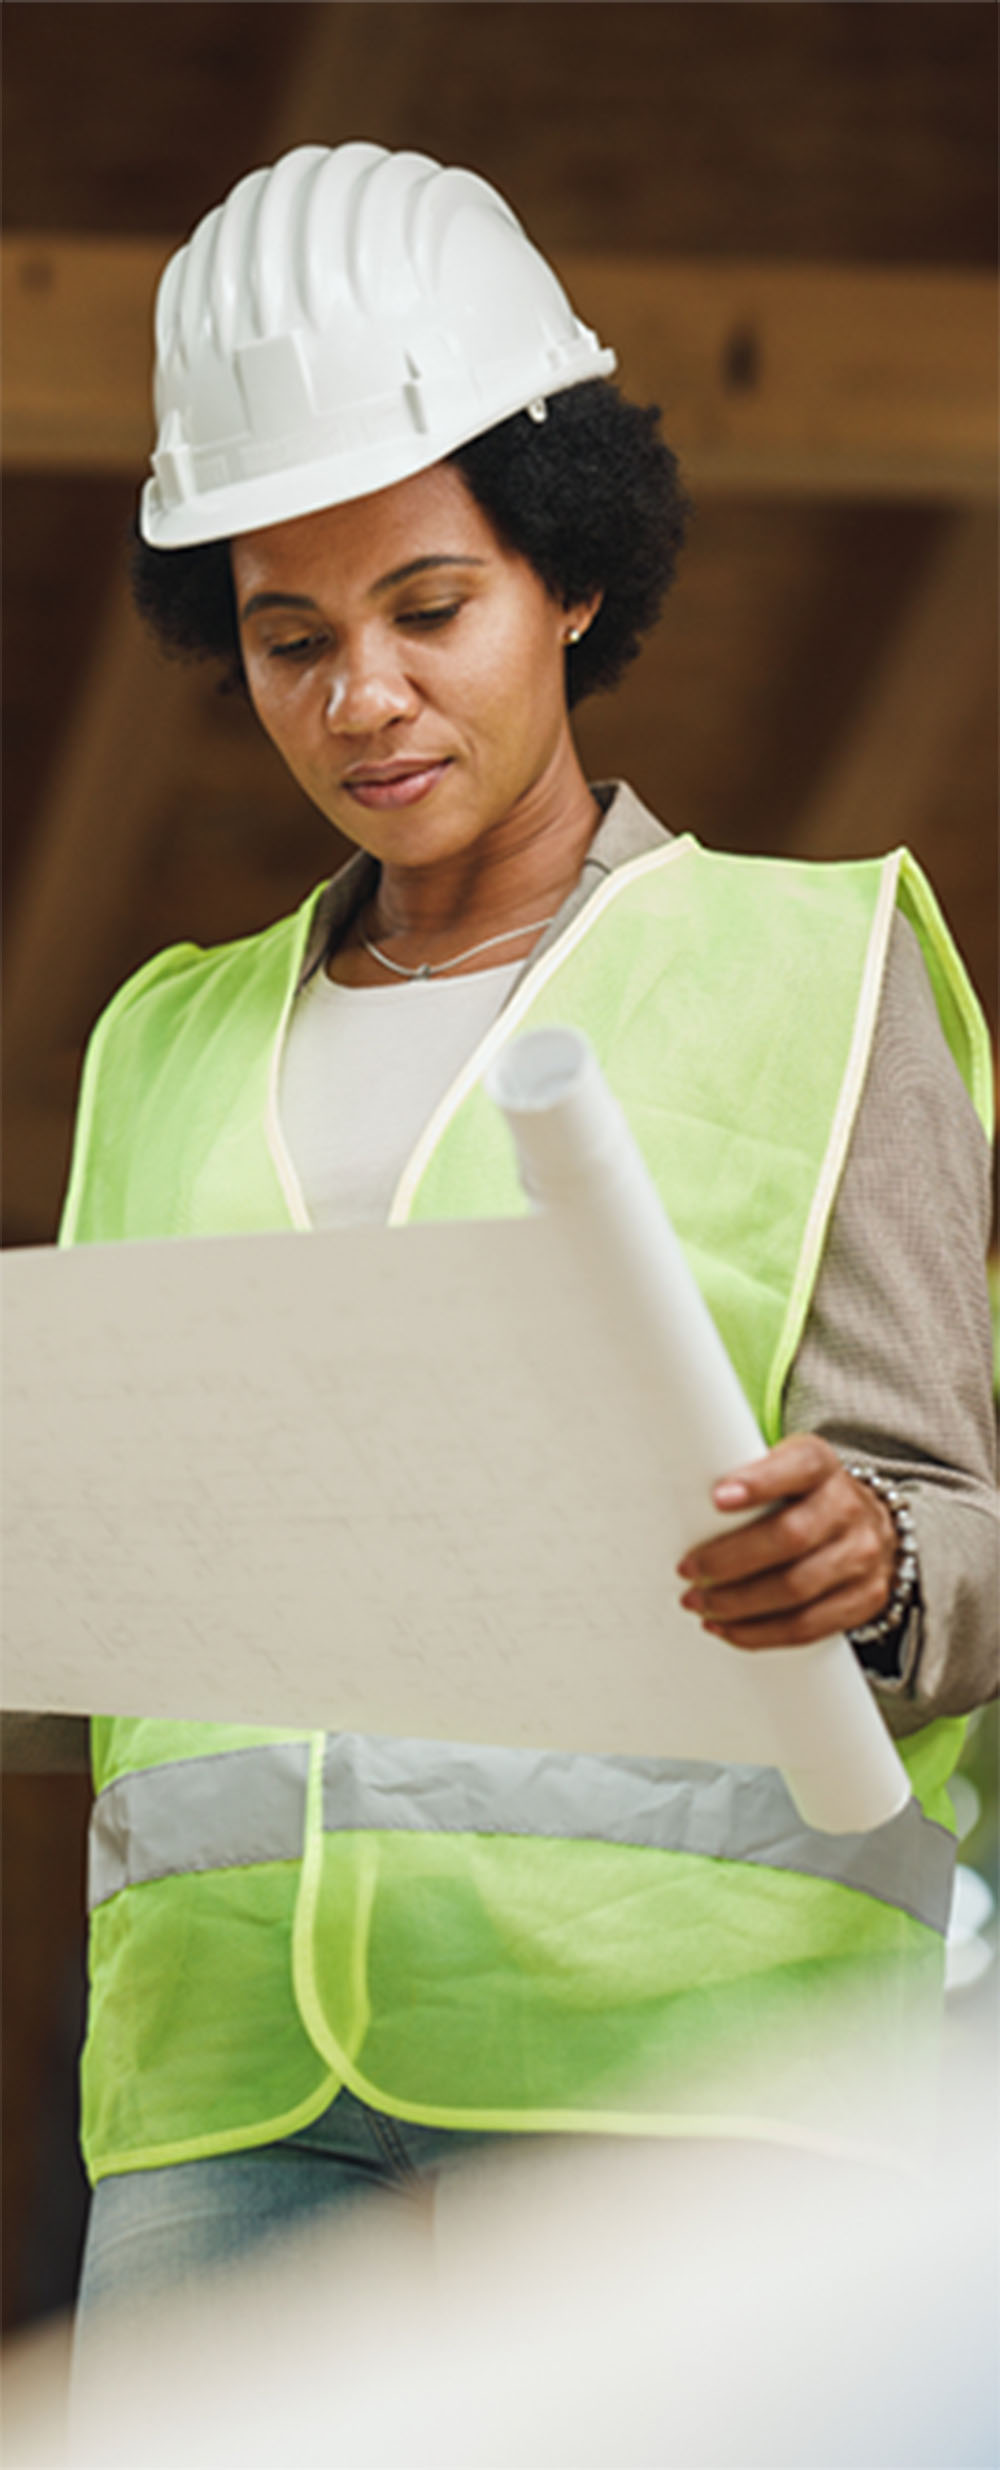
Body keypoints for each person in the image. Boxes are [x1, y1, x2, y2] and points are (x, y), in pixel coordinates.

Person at [45, 143, 995, 2318]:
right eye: (287, 637)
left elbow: (960, 1525)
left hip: (694, 2079)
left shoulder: (811, 964)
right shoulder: (157, 1045)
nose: (358, 697)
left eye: (425, 608)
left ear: (564, 575)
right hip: (222, 2087)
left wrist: (877, 1554)